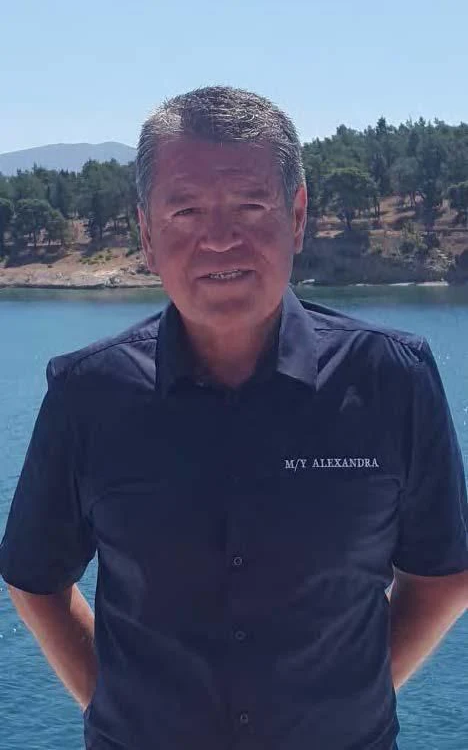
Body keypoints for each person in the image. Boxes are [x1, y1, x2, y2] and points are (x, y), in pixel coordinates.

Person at [0, 85, 467, 750]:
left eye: (251, 205)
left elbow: (443, 575)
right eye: (186, 210)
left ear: (297, 215)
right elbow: (35, 580)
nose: (220, 240)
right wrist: (113, 707)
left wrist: (352, 702)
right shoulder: (87, 394)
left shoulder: (392, 378)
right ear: (147, 232)